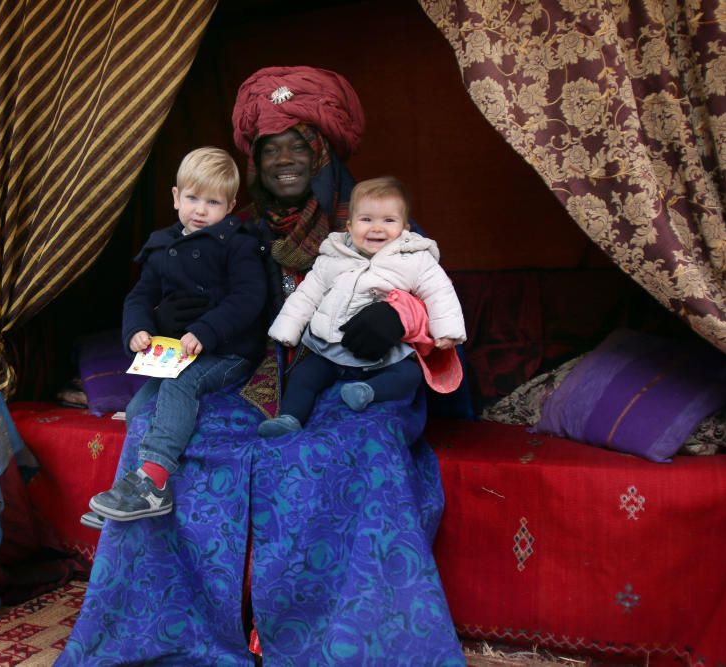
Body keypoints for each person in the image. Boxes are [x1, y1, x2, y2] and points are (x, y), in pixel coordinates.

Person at [59, 67, 465, 666]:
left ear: (321, 152)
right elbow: (207, 306)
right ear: (254, 162)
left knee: (364, 445)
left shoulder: (374, 220)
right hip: (247, 372)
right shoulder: (230, 228)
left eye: (298, 145)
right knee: (157, 431)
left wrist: (399, 313)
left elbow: (432, 296)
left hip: (355, 376)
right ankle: (168, 633)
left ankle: (344, 638)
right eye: (270, 149)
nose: (284, 160)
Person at [87, 147, 266, 522]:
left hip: (228, 352)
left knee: (181, 383)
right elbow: (141, 295)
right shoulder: (162, 244)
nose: (200, 210)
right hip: (180, 351)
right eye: (192, 198)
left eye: (213, 202)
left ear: (231, 206)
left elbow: (249, 298)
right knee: (137, 408)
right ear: (175, 197)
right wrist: (138, 328)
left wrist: (207, 329)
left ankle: (154, 484)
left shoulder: (238, 244)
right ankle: (125, 492)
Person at [259, 176, 466, 437]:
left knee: (408, 375)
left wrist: (446, 332)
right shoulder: (333, 256)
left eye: (388, 221)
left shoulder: (415, 259)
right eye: (366, 220)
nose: (376, 228)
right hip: (331, 347)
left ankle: (368, 392)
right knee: (304, 375)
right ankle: (289, 419)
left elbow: (440, 292)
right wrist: (286, 329)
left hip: (382, 355)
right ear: (349, 225)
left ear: (405, 227)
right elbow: (307, 295)